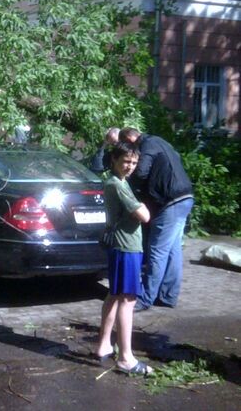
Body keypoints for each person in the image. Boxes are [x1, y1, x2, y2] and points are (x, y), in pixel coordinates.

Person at [119, 127, 194, 311]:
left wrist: (126, 186)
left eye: (127, 146)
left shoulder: (147, 145)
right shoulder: (161, 141)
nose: (130, 153)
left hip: (170, 202)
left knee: (157, 251)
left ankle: (145, 298)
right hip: (185, 197)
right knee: (173, 250)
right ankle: (168, 296)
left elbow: (141, 172)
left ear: (130, 138)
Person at [95, 142, 153, 376]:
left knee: (114, 295)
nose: (130, 166)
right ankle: (125, 357)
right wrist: (144, 208)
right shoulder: (117, 185)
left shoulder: (118, 182)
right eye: (126, 161)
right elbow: (144, 215)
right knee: (127, 300)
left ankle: (103, 345)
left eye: (134, 162)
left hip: (121, 246)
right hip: (126, 247)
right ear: (114, 161)